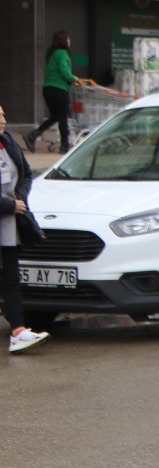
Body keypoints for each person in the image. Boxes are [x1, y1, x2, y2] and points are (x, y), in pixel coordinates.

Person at [1, 104, 47, 353]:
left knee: (10, 278)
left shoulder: (8, 143)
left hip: (9, 223)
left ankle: (19, 331)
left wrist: (19, 198)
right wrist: (8, 204)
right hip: (7, 212)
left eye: (3, 114)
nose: (3, 119)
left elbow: (26, 174)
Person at [24, 30, 74, 154]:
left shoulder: (51, 53)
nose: (69, 41)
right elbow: (64, 71)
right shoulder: (62, 53)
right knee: (62, 117)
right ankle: (64, 146)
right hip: (59, 89)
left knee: (55, 116)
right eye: (68, 38)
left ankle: (33, 135)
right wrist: (74, 79)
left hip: (48, 89)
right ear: (64, 40)